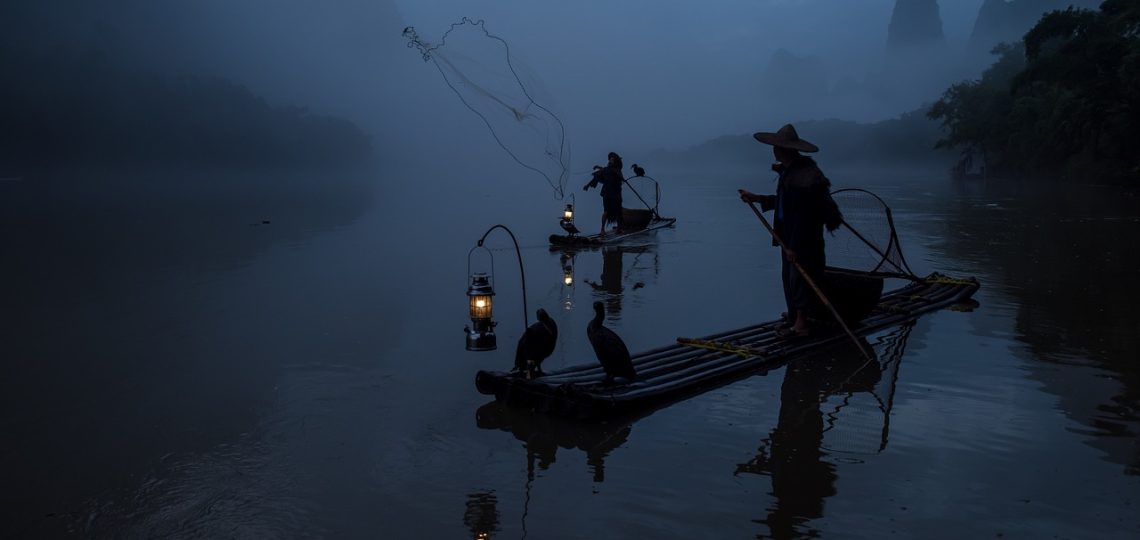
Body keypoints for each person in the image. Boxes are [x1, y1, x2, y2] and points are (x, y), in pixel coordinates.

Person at [739, 124, 842, 337]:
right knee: (789, 278)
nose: (774, 150)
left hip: (804, 239)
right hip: (790, 236)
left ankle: (802, 324)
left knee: (801, 279)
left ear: (786, 150)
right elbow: (786, 203)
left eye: (777, 147)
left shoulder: (805, 175)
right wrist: (757, 198)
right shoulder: (790, 172)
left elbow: (804, 216)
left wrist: (795, 246)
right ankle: (795, 317)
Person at [583, 152, 625, 235]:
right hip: (608, 193)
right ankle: (602, 229)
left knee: (617, 210)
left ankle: (619, 228)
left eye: (613, 159)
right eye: (610, 159)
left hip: (615, 192)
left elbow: (621, 178)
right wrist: (587, 185)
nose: (611, 160)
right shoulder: (606, 170)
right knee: (607, 211)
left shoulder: (616, 170)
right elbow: (597, 177)